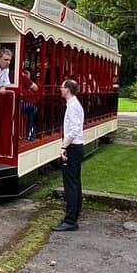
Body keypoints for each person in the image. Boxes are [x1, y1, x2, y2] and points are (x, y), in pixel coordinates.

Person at [53, 77, 84, 231]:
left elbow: (73, 129)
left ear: (67, 89)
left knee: (70, 185)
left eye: (61, 87)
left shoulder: (72, 107)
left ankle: (70, 220)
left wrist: (64, 147)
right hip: (77, 147)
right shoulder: (74, 105)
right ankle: (74, 216)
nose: (60, 89)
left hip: (72, 148)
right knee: (75, 183)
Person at [20, 65, 40, 141]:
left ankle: (30, 133)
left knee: (34, 110)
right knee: (33, 110)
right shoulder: (24, 81)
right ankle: (29, 134)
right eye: (23, 73)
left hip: (28, 103)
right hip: (23, 104)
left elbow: (37, 94)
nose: (24, 75)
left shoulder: (32, 83)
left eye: (26, 73)